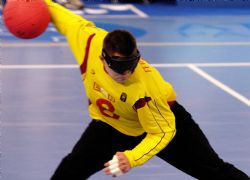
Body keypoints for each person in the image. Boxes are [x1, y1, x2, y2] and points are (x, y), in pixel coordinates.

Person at [43, 0, 250, 179]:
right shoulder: (89, 43)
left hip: (159, 122)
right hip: (111, 125)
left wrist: (131, 158)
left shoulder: (148, 86)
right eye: (119, 68)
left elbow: (162, 132)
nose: (126, 74)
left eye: (130, 66)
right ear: (102, 58)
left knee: (213, 171)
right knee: (70, 171)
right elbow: (62, 16)